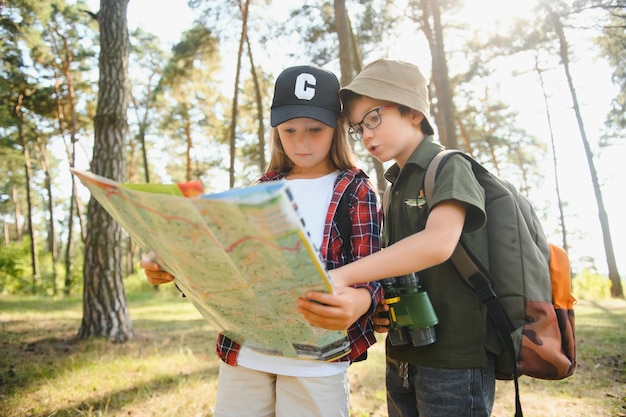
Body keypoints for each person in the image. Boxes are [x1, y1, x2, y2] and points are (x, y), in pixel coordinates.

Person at [141, 65, 384, 417]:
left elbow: (372, 272)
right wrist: (172, 265)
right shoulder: (259, 190)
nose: (302, 141)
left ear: (337, 128)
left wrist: (361, 301)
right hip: (246, 352)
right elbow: (222, 265)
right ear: (275, 130)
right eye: (290, 130)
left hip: (316, 360)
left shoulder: (355, 189)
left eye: (315, 129)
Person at [297, 58, 496, 417]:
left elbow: (437, 243)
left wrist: (341, 276)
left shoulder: (449, 167)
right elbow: (398, 265)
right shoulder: (390, 189)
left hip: (455, 360)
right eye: (358, 127)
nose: (366, 134)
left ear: (415, 113)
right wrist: (379, 306)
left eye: (373, 117)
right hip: (403, 356)